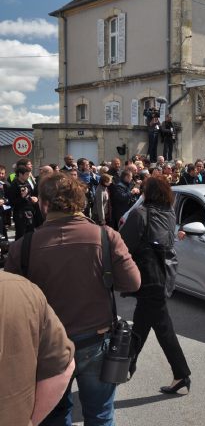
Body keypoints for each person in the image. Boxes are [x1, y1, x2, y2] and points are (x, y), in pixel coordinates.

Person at [4, 172, 141, 424]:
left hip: (46, 346)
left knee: (54, 416)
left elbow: (10, 299)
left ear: (44, 204)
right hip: (96, 338)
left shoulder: (23, 245)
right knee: (100, 414)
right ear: (81, 202)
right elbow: (133, 282)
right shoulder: (106, 236)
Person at [120, 176, 192, 395]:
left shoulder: (140, 214)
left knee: (162, 327)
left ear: (147, 192)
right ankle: (125, 365)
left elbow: (124, 246)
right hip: (164, 275)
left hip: (148, 277)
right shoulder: (169, 213)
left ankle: (181, 374)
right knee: (144, 322)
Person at [0, 272, 75, 426]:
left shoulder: (23, 249)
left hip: (46, 328)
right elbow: (131, 282)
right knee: (100, 412)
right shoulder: (21, 288)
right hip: (93, 334)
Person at [6, 165, 39, 239]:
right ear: (20, 174)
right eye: (27, 174)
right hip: (20, 214)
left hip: (29, 211)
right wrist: (22, 197)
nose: (28, 176)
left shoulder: (27, 182)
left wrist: (33, 198)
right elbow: (12, 202)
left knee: (30, 233)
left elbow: (30, 195)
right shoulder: (14, 185)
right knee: (21, 234)